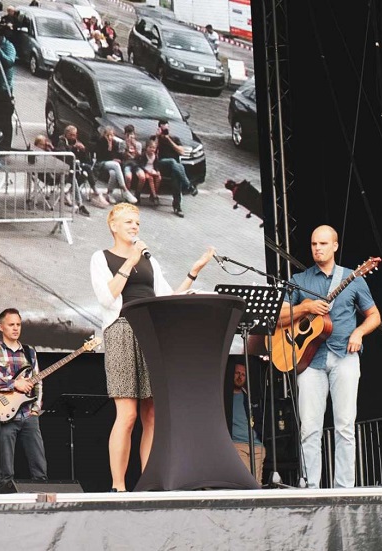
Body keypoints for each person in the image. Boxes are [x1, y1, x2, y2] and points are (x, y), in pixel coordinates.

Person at [90, 203, 214, 491]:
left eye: (138, 223)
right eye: (129, 222)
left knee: (152, 413)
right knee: (128, 414)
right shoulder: (102, 258)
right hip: (121, 331)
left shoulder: (149, 260)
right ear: (114, 226)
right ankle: (118, 486)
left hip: (151, 331)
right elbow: (107, 299)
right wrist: (129, 261)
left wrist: (193, 273)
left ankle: (148, 483)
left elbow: (166, 296)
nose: (135, 227)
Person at [279, 225, 380, 488]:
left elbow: (374, 316)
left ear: (335, 246)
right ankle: (312, 489)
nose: (317, 248)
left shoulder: (354, 278)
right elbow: (278, 318)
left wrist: (359, 332)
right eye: (314, 244)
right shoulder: (299, 280)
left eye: (323, 244)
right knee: (310, 428)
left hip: (344, 356)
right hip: (310, 360)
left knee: (345, 426)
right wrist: (304, 307)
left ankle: (344, 489)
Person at [0, 308, 48, 492]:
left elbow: (37, 381)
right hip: (5, 416)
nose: (16, 328)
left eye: (18, 324)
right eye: (11, 325)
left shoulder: (29, 352)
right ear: (1, 327)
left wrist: (35, 408)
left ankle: (43, 508)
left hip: (28, 415)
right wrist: (12, 384)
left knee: (40, 469)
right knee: (6, 472)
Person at [33, 135, 90, 217]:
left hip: (54, 174)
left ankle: (80, 204)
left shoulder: (49, 152)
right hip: (48, 176)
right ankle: (79, 204)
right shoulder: (36, 153)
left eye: (45, 144)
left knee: (74, 177)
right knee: (74, 178)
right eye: (42, 145)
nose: (44, 146)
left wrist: (52, 149)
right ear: (37, 144)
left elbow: (59, 160)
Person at [228, 360, 265, 483]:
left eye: (243, 374)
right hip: (237, 445)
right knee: (247, 483)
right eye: (237, 373)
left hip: (257, 446)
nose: (240, 377)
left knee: (257, 484)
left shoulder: (249, 396)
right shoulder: (225, 398)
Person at [56, 125, 109, 209]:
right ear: (66, 134)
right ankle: (95, 191)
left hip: (77, 166)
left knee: (85, 174)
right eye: (71, 135)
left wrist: (83, 150)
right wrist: (73, 148)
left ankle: (69, 193)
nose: (74, 137)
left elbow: (85, 158)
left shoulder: (77, 141)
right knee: (87, 168)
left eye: (75, 135)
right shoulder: (62, 142)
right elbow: (63, 153)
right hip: (66, 166)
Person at [154, 119, 198, 200]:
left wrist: (169, 140)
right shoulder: (155, 138)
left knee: (177, 176)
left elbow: (181, 152)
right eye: (163, 130)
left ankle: (177, 206)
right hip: (162, 164)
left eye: (166, 129)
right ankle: (189, 185)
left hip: (175, 167)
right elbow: (152, 151)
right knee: (172, 161)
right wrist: (157, 137)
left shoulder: (175, 139)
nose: (165, 132)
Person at [94, 126, 137, 205]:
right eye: (108, 135)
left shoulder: (114, 143)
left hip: (111, 163)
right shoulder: (101, 141)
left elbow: (117, 154)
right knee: (116, 165)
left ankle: (109, 193)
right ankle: (125, 189)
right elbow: (100, 156)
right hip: (102, 162)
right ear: (104, 135)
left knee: (113, 174)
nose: (110, 137)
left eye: (111, 135)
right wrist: (109, 151)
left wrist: (116, 157)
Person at [136, 138, 163, 207]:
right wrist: (147, 172)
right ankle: (154, 196)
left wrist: (157, 171)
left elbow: (156, 165)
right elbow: (140, 165)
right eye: (150, 147)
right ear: (147, 147)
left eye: (154, 148)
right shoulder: (144, 155)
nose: (152, 150)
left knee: (158, 178)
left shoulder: (155, 156)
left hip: (151, 169)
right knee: (150, 178)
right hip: (145, 169)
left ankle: (153, 193)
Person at [119, 125, 144, 196]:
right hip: (127, 163)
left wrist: (134, 146)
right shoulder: (122, 143)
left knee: (142, 177)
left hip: (136, 164)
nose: (130, 136)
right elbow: (122, 155)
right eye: (128, 135)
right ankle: (127, 194)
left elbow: (139, 156)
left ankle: (138, 193)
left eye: (132, 134)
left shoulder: (138, 144)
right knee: (128, 177)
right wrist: (127, 146)